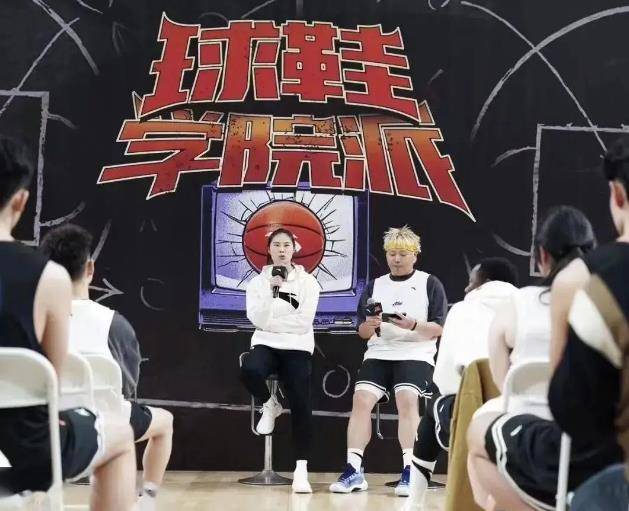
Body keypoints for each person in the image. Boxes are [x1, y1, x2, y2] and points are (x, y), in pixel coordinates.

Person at [0, 136, 136, 511]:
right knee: (121, 435)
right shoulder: (50, 277)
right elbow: (51, 382)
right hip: (29, 453)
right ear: (20, 201)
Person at [466, 206, 621, 511]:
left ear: (542, 255)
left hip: (535, 427)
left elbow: (502, 380)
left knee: (477, 432)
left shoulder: (517, 303)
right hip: (596, 437)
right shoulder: (608, 299)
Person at [40, 223, 174, 511]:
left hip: (44, 426)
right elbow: (127, 385)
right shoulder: (114, 323)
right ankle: (147, 501)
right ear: (89, 268)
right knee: (165, 422)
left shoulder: (33, 319)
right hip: (106, 421)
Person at [329, 226, 447, 496]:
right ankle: (354, 469)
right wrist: (370, 325)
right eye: (392, 253)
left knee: (407, 398)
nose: (396, 259)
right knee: (361, 399)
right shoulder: (375, 285)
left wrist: (413, 324)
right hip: (380, 351)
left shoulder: (430, 283)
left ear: (415, 255)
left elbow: (439, 328)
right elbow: (362, 331)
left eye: (403, 254)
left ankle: (410, 470)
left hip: (416, 352)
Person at [548, 137, 629, 511]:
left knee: (484, 433)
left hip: (609, 467)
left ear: (617, 195)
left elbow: (568, 407)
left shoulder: (585, 281)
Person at [404, 257, 518, 510]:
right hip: (524, 421)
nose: (466, 288)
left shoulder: (461, 311)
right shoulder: (530, 310)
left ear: (485, 282)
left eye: (471, 281)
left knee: (432, 405)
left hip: (467, 417)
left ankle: (414, 502)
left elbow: (445, 377)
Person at [240, 227, 321, 493]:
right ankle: (269, 403)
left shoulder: (308, 283)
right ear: (269, 250)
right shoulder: (257, 283)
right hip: (265, 343)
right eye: (277, 245)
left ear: (294, 249)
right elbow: (257, 319)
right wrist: (272, 293)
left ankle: (301, 469)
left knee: (300, 400)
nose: (282, 250)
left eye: (286, 245)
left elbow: (303, 322)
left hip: (297, 346)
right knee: (250, 369)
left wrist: (273, 323)